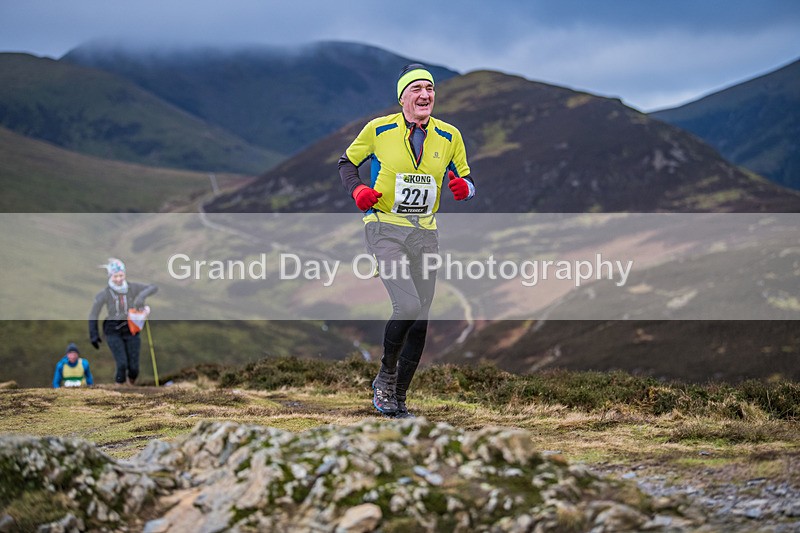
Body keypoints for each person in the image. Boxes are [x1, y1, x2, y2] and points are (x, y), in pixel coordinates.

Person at [338, 63, 476, 417]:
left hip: (425, 233)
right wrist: (358, 191)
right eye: (416, 89)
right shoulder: (378, 129)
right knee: (408, 305)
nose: (425, 95)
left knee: (422, 317)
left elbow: (466, 178)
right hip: (384, 227)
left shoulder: (450, 136)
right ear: (402, 98)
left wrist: (465, 188)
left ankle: (398, 398)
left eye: (429, 89)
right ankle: (385, 377)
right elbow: (346, 163)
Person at [88, 258, 158, 385]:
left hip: (131, 330)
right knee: (122, 365)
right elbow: (93, 314)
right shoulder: (104, 293)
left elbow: (153, 287)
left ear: (125, 275)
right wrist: (93, 334)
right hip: (112, 331)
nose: (119, 279)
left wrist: (141, 297)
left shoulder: (132, 288)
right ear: (110, 276)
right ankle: (119, 390)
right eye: (116, 276)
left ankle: (130, 387)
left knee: (134, 368)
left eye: (121, 275)